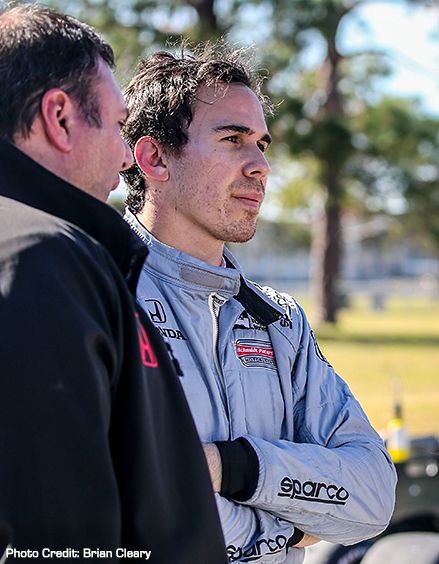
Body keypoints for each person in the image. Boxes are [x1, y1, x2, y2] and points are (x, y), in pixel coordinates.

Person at [119, 43, 398, 563]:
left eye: (263, 144)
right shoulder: (95, 296)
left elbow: (373, 497)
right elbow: (117, 501)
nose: (261, 165)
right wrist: (289, 529)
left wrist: (230, 468)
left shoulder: (278, 321)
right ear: (154, 157)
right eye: (232, 139)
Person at [0, 5, 226, 562]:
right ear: (60, 116)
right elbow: (58, 541)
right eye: (121, 126)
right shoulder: (41, 259)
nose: (127, 156)